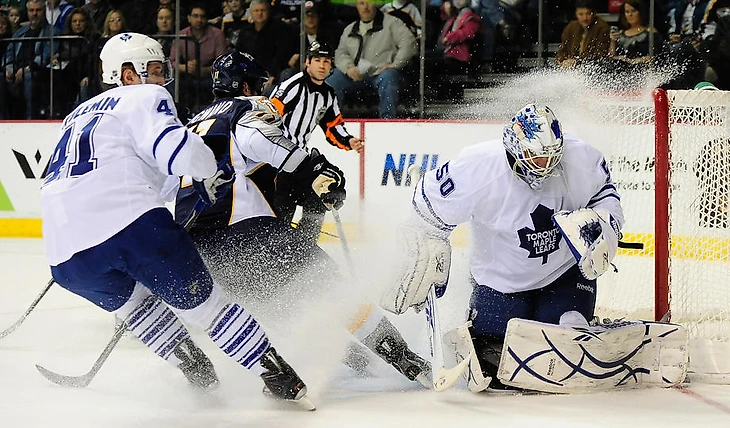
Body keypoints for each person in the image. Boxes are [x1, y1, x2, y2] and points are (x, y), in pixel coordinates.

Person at [40, 32, 312, 408]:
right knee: (207, 307)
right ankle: (281, 378)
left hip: (65, 255)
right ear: (127, 74)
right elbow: (181, 155)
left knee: (136, 307)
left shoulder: (74, 116)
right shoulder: (145, 96)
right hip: (131, 227)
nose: (160, 78)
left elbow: (145, 178)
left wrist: (189, 182)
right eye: (152, 69)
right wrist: (205, 170)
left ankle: (196, 371)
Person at [174, 50, 431, 387]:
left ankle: (299, 364)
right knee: (328, 282)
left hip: (201, 247)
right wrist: (319, 171)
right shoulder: (245, 111)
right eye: (259, 84)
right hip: (248, 230)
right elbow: (277, 151)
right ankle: (401, 355)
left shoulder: (194, 123)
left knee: (272, 301)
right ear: (246, 85)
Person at [381, 104, 625, 391]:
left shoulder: (581, 158)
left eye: (551, 157)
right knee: (495, 359)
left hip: (564, 272)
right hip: (501, 280)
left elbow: (607, 198)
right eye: (536, 156)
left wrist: (605, 226)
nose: (544, 165)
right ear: (514, 147)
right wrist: (427, 243)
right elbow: (426, 209)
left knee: (564, 343)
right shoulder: (478, 167)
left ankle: (582, 323)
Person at [266, 40, 364, 244]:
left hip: (299, 161)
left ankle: (305, 246)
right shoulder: (292, 86)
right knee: (281, 214)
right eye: (317, 60)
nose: (322, 65)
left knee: (321, 197)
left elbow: (332, 126)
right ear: (307, 63)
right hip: (276, 162)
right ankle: (278, 250)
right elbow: (268, 115)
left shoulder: (327, 94)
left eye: (326, 61)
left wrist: (349, 141)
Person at [326, 0, 416, 119]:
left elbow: (409, 43)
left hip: (381, 75)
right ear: (357, 6)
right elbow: (340, 53)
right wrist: (349, 68)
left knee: (389, 77)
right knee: (333, 80)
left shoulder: (392, 23)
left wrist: (395, 64)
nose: (366, 7)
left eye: (370, 2)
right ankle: (331, 120)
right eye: (362, 3)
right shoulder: (350, 29)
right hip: (356, 76)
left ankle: (387, 120)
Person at [554, 0, 611, 68]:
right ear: (576, 14)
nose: (585, 18)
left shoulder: (602, 28)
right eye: (581, 14)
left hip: (593, 68)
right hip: (570, 67)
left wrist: (577, 62)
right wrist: (562, 60)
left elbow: (600, 55)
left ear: (594, 13)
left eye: (588, 14)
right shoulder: (570, 28)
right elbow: (563, 50)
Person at [609, 0, 665, 68]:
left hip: (642, 70)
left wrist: (630, 61)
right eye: (627, 12)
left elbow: (655, 56)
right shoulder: (620, 34)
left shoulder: (650, 33)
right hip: (621, 69)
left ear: (640, 12)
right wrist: (613, 41)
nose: (630, 14)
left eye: (633, 11)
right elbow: (612, 56)